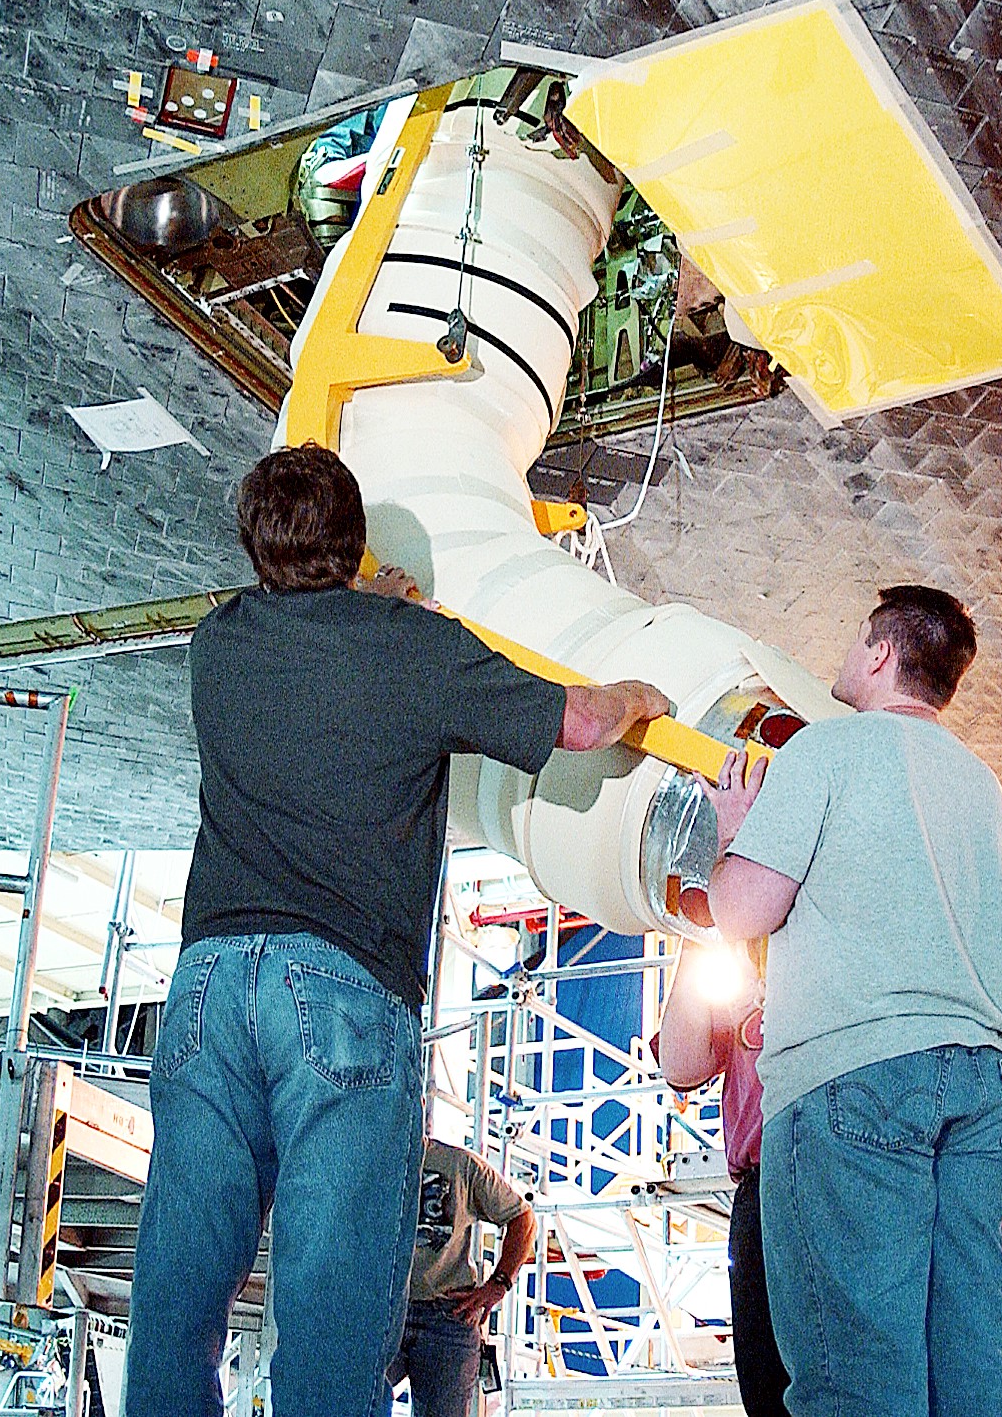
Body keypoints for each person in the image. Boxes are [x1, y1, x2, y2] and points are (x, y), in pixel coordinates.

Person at [121, 443, 677, 1417]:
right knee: (333, 1306)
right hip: (338, 985)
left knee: (176, 1292)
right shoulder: (414, 646)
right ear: (354, 535)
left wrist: (380, 601)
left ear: (254, 541)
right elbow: (583, 723)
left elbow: (320, 651)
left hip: (207, 983)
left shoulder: (219, 642)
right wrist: (642, 694)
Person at [706, 586, 1002, 1417]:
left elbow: (742, 910)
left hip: (854, 1076)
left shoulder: (827, 751)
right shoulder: (983, 786)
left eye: (856, 640)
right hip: (984, 1083)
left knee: (858, 1381)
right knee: (971, 1369)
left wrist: (735, 830)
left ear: (882, 653)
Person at [655, 942, 784, 1417]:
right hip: (762, 1179)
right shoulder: (742, 950)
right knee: (767, 1382)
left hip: (839, 1163)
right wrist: (696, 939)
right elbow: (681, 1063)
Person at [390, 1133, 537, 1417]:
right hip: (383, 1309)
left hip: (448, 1313)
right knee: (344, 1404)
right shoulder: (365, 1157)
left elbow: (522, 1217)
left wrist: (499, 1282)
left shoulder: (459, 1164)